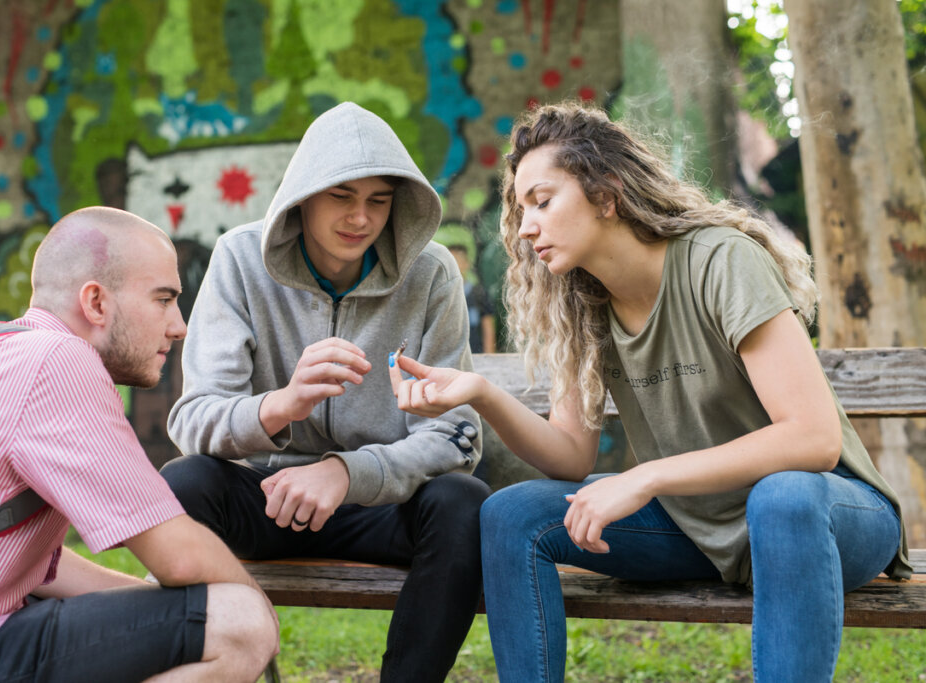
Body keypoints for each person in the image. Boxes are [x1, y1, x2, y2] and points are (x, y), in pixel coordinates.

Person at [389, 102, 911, 682]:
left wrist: (646, 476)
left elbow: (813, 440)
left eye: (542, 201)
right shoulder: (583, 304)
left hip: (825, 516)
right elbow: (571, 455)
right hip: (698, 526)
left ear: (606, 193)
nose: (527, 226)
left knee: (781, 497)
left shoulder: (721, 260)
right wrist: (482, 394)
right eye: (520, 210)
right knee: (513, 514)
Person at [161, 102, 491, 682]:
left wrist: (346, 472)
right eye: (341, 196)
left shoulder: (432, 273)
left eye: (379, 200)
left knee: (462, 502)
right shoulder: (240, 259)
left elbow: (455, 435)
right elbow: (193, 420)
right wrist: (280, 405)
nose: (360, 218)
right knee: (184, 484)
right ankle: (220, 661)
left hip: (380, 503)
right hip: (272, 498)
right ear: (303, 197)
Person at [0, 206, 279, 683]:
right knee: (238, 622)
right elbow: (178, 555)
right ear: (97, 303)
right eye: (164, 299)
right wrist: (258, 607)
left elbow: (42, 572)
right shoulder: (58, 362)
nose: (179, 325)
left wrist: (160, 607)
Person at [447, 244, 496, 354]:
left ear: (466, 264)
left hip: (476, 356)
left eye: (458, 261)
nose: (454, 266)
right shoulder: (442, 296)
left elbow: (488, 329)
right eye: (450, 261)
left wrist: (490, 357)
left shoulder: (479, 294)